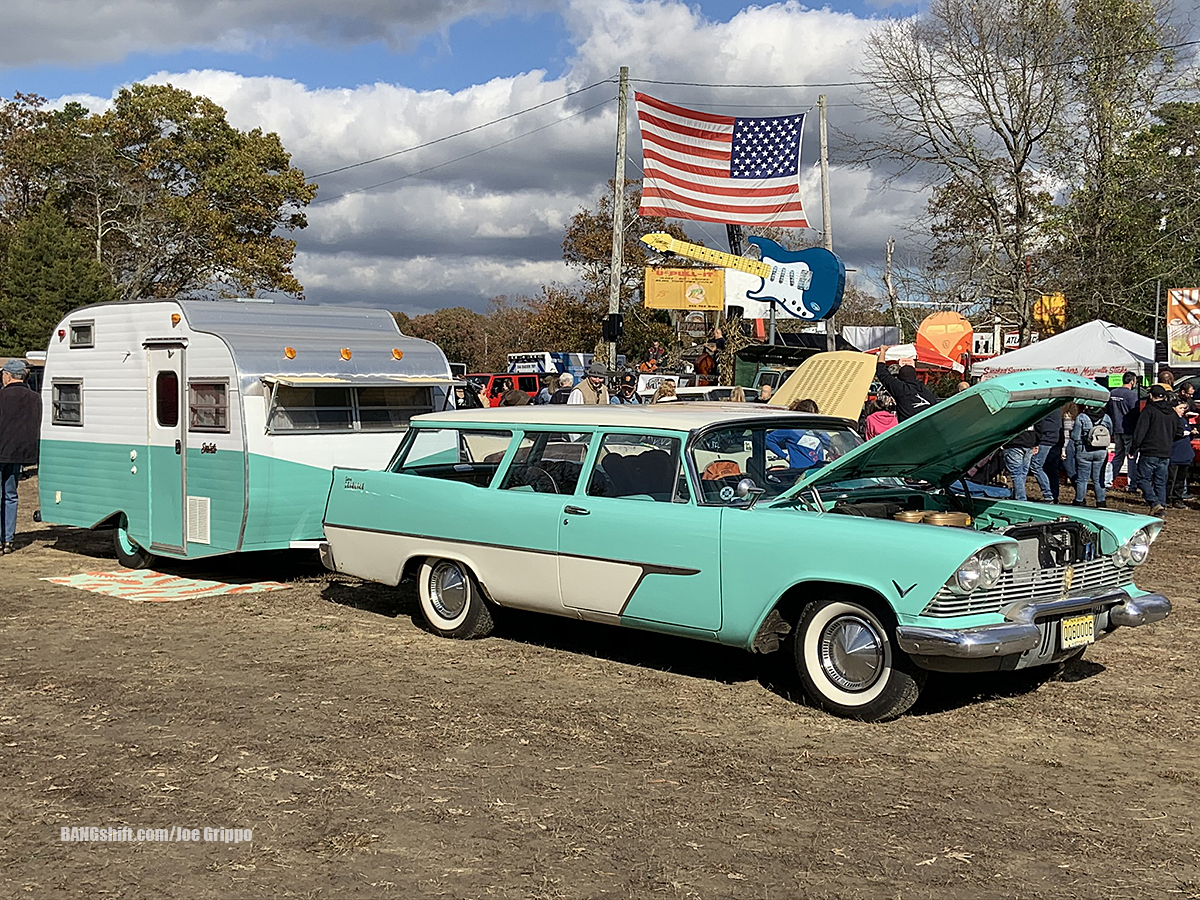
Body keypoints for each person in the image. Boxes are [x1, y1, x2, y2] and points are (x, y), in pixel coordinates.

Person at [0, 359, 42, 554]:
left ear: (8, 375)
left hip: (1, 451)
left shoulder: (2, 396)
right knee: (10, 496)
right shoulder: (35, 398)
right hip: (19, 454)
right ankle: (8, 539)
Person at [1131, 385, 1178, 516]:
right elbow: (1179, 431)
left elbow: (1140, 431)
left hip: (1149, 451)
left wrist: (1133, 448)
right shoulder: (1172, 412)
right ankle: (1161, 508)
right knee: (1160, 482)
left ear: (1151, 396)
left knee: (1142, 479)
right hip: (1165, 452)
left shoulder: (1149, 410)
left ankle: (1154, 503)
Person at [874, 348, 937, 422]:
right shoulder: (926, 391)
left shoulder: (901, 389)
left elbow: (882, 373)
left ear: (899, 377)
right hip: (928, 427)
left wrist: (883, 351)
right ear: (915, 376)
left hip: (908, 429)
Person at [766, 398, 829, 470]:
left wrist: (820, 432)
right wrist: (785, 456)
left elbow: (830, 443)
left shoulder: (817, 430)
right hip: (799, 472)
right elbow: (769, 440)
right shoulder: (791, 429)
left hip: (819, 471)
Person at [1070, 402, 1113, 508]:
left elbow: (1075, 436)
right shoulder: (1106, 418)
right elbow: (1110, 432)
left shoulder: (1082, 417)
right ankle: (1101, 502)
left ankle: (1079, 501)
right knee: (1099, 479)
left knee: (1082, 479)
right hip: (1101, 451)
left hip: (1084, 450)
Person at [1107, 372, 1140, 490]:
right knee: (1131, 457)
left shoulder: (1112, 393)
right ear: (1132, 381)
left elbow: (1108, 410)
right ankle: (1132, 485)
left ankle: (1107, 481)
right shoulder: (1132, 395)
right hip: (1129, 430)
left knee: (1118, 456)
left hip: (1116, 429)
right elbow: (1135, 413)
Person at [1030, 407, 1064, 503]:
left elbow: (1040, 423)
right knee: (1052, 469)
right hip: (1055, 439)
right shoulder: (1057, 407)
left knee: (1036, 466)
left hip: (1046, 439)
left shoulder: (1046, 406)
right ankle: (1054, 495)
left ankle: (1048, 494)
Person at [1167, 395, 1193, 508]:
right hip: (1173, 455)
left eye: (1184, 408)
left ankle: (1177, 498)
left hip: (1184, 455)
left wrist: (1191, 433)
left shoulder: (1183, 420)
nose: (1183, 410)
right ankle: (1167, 498)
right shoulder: (1170, 420)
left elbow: (1188, 433)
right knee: (1170, 479)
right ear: (1174, 408)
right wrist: (1182, 434)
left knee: (1180, 480)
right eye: (1181, 408)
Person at [1002, 426, 1037, 502]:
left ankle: (1021, 499)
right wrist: (1036, 442)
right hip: (1029, 442)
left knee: (1016, 473)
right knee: (1022, 473)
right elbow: (1040, 426)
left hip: (1014, 443)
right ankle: (1016, 495)